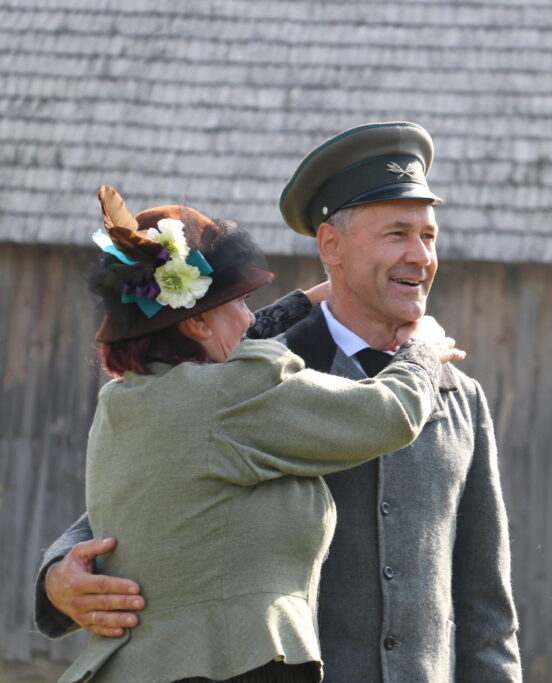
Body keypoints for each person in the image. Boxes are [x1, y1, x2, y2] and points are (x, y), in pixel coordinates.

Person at [36, 123, 522, 682]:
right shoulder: (249, 377)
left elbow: (487, 605)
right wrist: (58, 576)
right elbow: (147, 496)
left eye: (429, 236)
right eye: (397, 234)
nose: (421, 255)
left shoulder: (461, 396)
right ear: (330, 246)